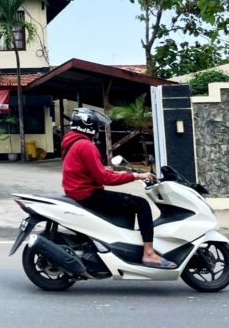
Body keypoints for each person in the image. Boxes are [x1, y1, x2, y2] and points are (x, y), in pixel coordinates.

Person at [61, 107, 176, 269]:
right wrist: (135, 176)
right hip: (88, 194)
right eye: (96, 126)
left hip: (79, 192)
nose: (98, 130)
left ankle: (123, 248)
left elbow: (95, 171)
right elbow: (104, 178)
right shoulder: (85, 145)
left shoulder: (72, 142)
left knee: (128, 206)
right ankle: (149, 253)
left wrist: (126, 172)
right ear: (88, 125)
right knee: (141, 204)